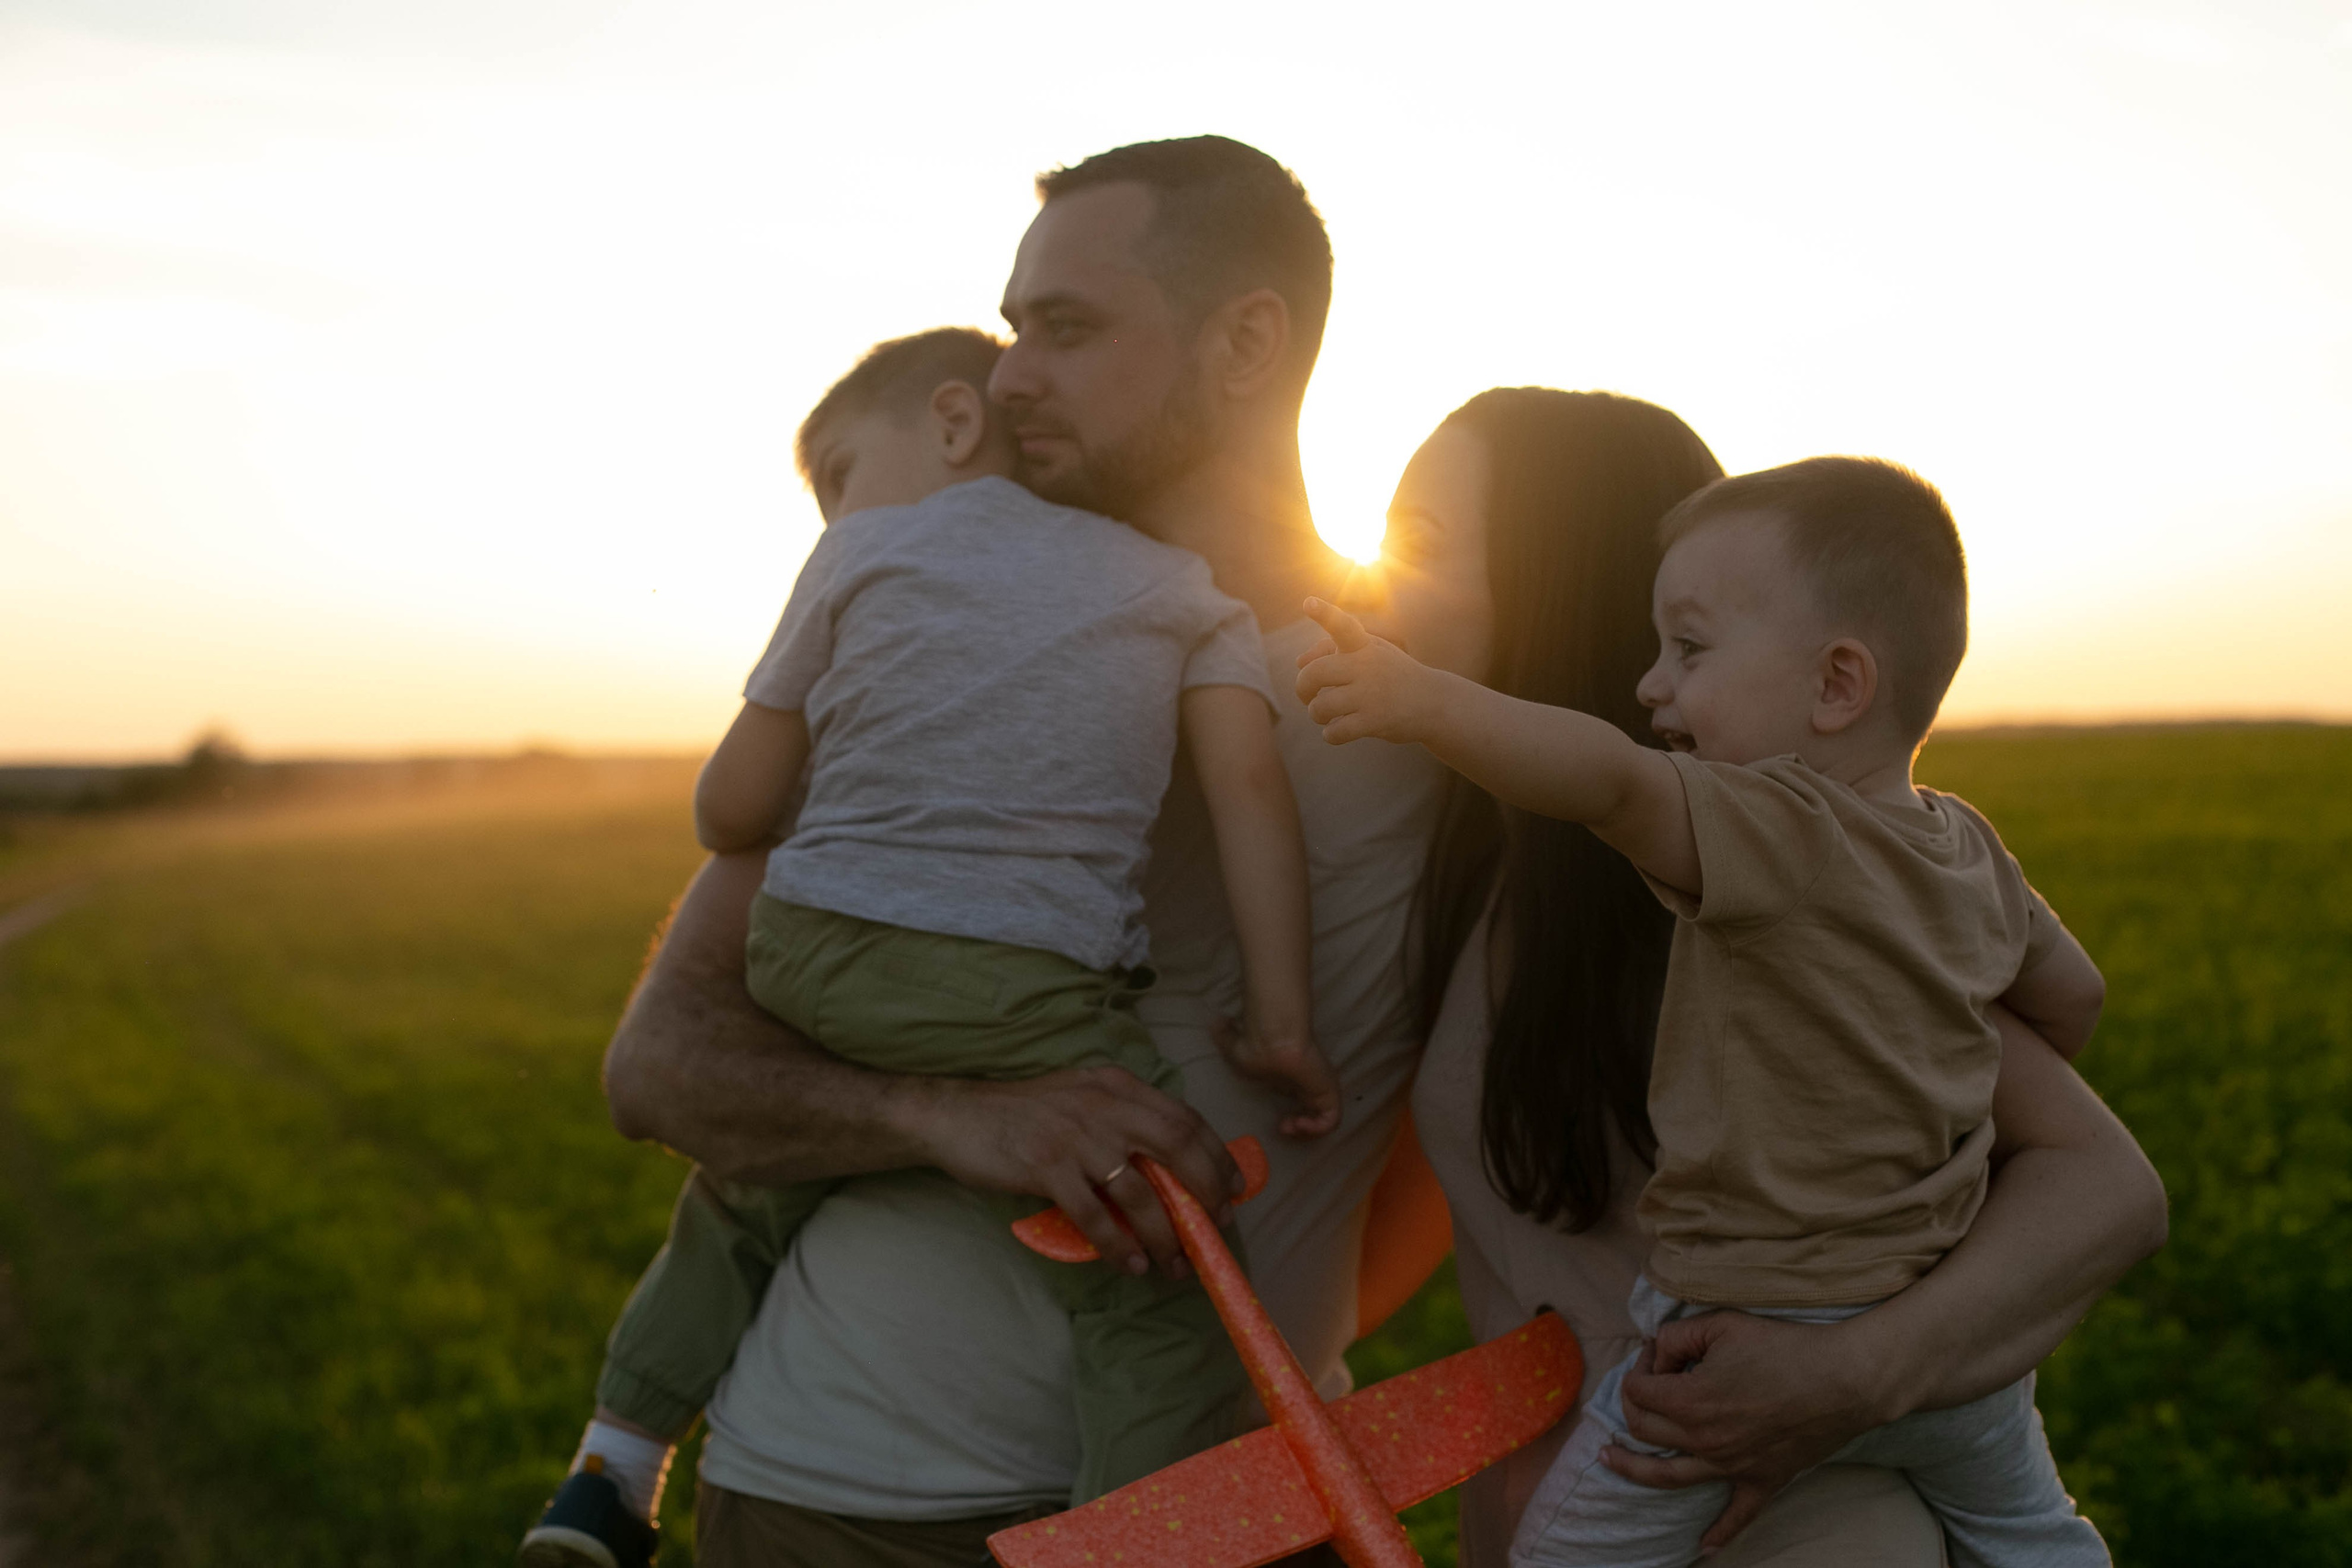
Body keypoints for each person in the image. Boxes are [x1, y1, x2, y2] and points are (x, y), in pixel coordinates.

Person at [597, 136, 2164, 1567]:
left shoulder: (1472, 761)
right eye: (1010, 331)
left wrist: (1840, 1380)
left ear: (1249, 339)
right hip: (848, 1496)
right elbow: (662, 1063)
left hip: (1226, 1508)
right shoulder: (961, 637)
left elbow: (2031, 1111)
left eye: (1065, 330)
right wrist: (949, 1113)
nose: (1008, 382)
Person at [520, 324, 1340, 1567]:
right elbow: (1250, 797)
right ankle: (1130, 1545)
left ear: (956, 425)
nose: (833, 512)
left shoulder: (857, 556)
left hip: (808, 955)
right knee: (1163, 1262)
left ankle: (613, 1468)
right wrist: (1280, 1019)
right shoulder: (1182, 587)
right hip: (1021, 992)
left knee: (744, 1188)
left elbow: (727, 810)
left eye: (840, 474)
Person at [1299, 451, 2121, 1566]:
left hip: (1735, 1439)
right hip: (1919, 1404)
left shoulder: (1760, 850)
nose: (1368, 589)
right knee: (2038, 1535)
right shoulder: (1958, 848)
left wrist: (1419, 701)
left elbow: (2112, 1184)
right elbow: (2073, 995)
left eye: (1425, 543)